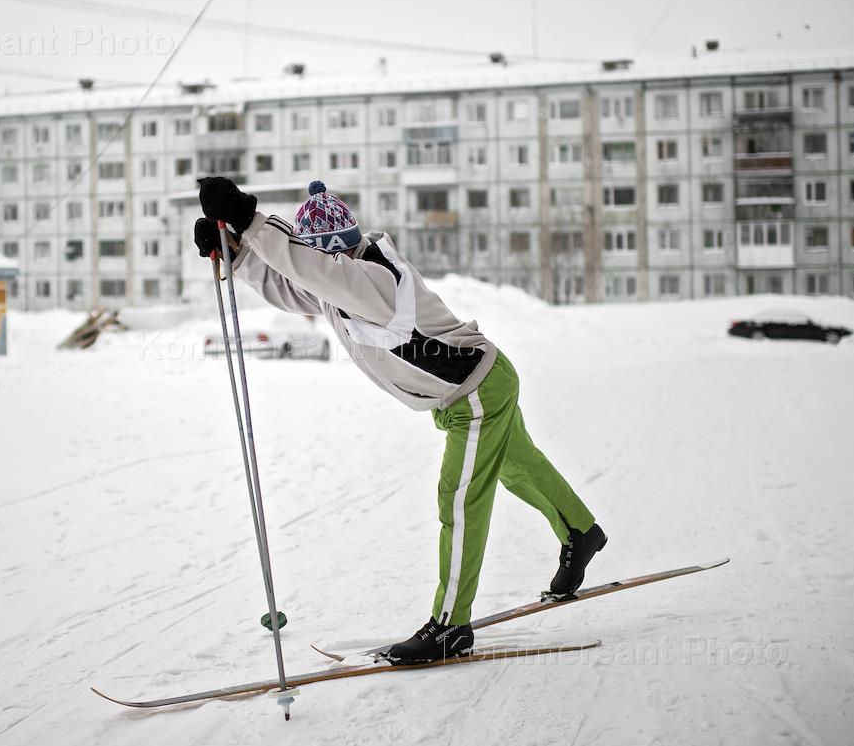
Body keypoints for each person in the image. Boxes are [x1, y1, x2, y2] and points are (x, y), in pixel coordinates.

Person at [194, 177, 607, 665]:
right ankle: (580, 531)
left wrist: (249, 219)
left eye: (327, 257)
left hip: (475, 393)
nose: (326, 266)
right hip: (476, 387)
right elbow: (294, 284)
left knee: (460, 500)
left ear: (341, 249)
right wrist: (241, 254)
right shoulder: (340, 286)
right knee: (518, 467)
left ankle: (451, 626)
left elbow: (309, 269)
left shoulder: (375, 281)